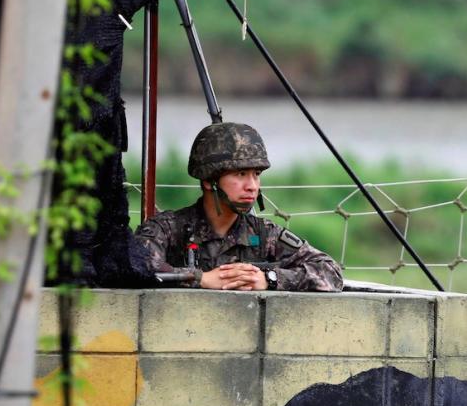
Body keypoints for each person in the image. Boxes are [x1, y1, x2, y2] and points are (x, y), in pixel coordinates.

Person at [134, 122, 343, 292]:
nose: (252, 186)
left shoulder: (264, 235)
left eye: (256, 175)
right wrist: (201, 279)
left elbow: (330, 272)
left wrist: (269, 279)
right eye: (240, 174)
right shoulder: (168, 229)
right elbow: (134, 265)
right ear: (209, 181)